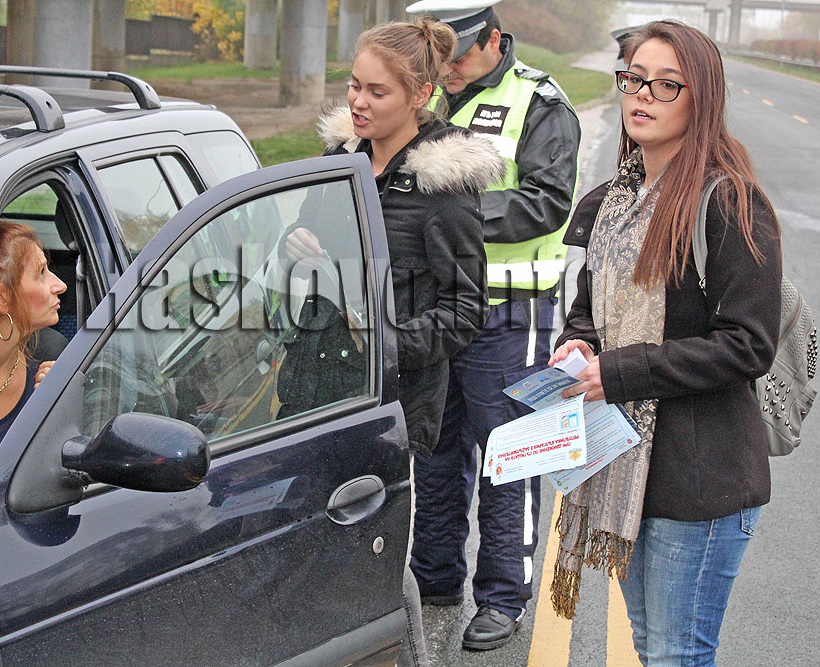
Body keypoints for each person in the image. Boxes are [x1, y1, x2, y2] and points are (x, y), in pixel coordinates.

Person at [549, 20, 781, 666]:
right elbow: (587, 312)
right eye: (634, 79)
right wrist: (577, 348)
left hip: (701, 480)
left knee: (677, 654)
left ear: (702, 97)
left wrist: (619, 371)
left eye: (666, 84)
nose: (643, 95)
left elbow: (747, 344)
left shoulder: (729, 203)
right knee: (653, 648)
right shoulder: (610, 203)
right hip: (628, 464)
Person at [283, 18, 503, 665]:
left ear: (420, 94)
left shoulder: (443, 190)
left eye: (377, 91)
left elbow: (465, 310)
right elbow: (304, 253)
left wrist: (385, 343)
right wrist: (295, 249)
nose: (358, 101)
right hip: (315, 385)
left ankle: (407, 655)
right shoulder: (341, 161)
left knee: (374, 560)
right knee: (309, 549)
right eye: (354, 85)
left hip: (390, 404)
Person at [403, 0, 582, 650]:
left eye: (457, 56)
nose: (446, 70)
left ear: (494, 39)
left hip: (509, 311)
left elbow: (547, 201)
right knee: (434, 448)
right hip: (435, 308)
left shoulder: (540, 103)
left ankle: (504, 597)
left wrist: (449, 215)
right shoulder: (423, 94)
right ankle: (434, 577)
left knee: (510, 454)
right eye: (438, 58)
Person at [0, 221, 67, 503]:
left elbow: (59, 490)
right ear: (1, 296)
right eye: (41, 273)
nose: (60, 285)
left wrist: (58, 413)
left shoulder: (54, 366)